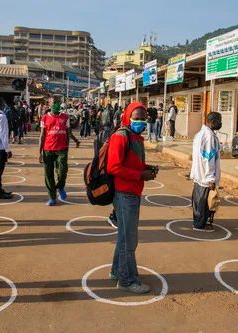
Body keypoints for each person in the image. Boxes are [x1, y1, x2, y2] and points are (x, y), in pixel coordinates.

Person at [107, 101, 159, 294]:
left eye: (143, 118)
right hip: (124, 194)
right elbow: (114, 167)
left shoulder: (136, 137)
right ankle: (127, 280)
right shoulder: (121, 137)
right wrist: (139, 175)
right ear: (127, 117)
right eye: (136, 118)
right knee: (129, 239)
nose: (140, 121)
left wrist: (146, 168)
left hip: (133, 192)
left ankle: (116, 271)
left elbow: (132, 164)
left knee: (124, 237)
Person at [190, 112, 222, 231]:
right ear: (212, 122)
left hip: (199, 173)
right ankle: (199, 224)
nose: (221, 123)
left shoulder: (200, 134)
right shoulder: (209, 137)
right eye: (219, 120)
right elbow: (209, 159)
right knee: (203, 202)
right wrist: (210, 179)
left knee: (199, 201)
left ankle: (199, 222)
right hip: (205, 175)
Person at [39, 102, 71, 206]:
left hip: (62, 149)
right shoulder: (44, 118)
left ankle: (60, 186)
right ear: (50, 106)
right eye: (54, 104)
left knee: (62, 171)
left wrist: (67, 147)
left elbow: (68, 133)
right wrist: (40, 152)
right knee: (48, 174)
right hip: (48, 149)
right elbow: (42, 135)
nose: (56, 107)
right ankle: (52, 197)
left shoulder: (66, 117)